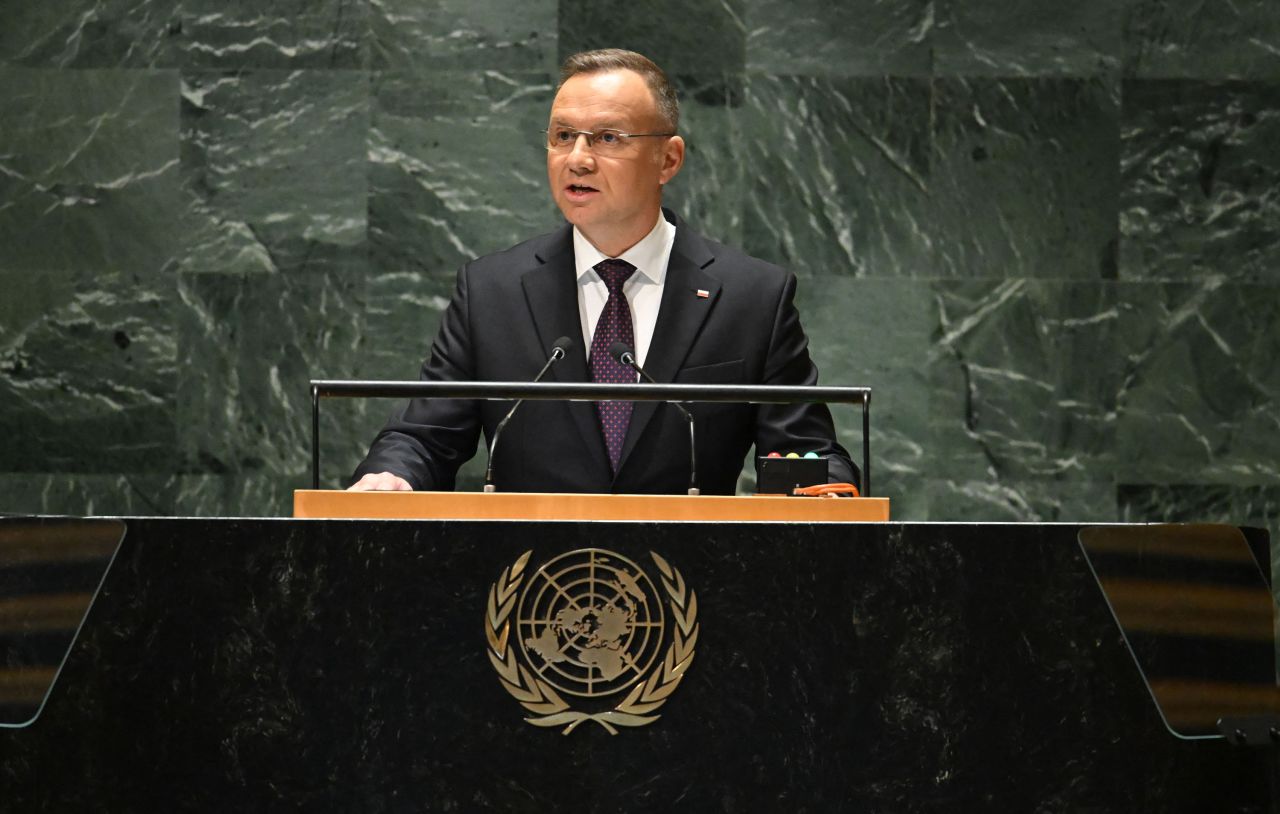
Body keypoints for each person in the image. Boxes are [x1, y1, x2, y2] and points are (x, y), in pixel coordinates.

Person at [350, 48, 854, 495]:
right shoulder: (491, 292)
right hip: (529, 588)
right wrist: (393, 474)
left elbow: (805, 452)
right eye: (563, 136)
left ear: (668, 158)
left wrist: (828, 485)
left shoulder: (751, 297)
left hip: (693, 585)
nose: (578, 159)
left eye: (608, 137)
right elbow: (423, 437)